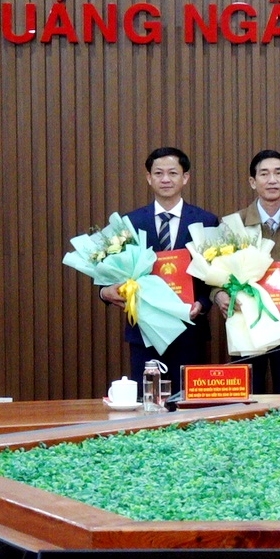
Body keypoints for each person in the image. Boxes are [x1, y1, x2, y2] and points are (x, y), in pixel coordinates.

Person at [100, 147, 218, 385]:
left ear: (185, 177)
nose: (165, 179)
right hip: (145, 331)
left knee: (187, 402)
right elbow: (109, 271)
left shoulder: (206, 221)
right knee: (148, 400)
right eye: (158, 173)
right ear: (149, 177)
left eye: (173, 173)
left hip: (189, 330)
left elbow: (215, 275)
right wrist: (105, 292)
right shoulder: (130, 222)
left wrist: (202, 304)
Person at [213, 150, 280, 394]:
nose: (272, 180)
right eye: (264, 174)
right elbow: (215, 272)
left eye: (278, 173)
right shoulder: (233, 223)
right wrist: (218, 295)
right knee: (247, 398)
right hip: (246, 326)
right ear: (252, 181)